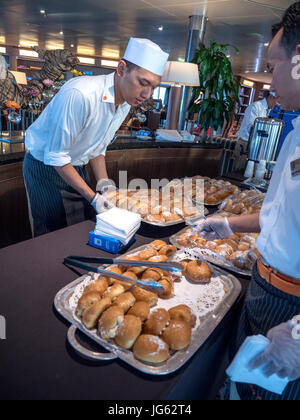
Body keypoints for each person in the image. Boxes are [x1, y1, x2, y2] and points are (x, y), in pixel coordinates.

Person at [194, 1, 300, 400]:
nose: (270, 84)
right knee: (237, 389)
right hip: (263, 286)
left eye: (272, 68)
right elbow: (282, 214)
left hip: (293, 308)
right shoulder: (296, 130)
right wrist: (230, 225)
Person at [23, 38, 169, 237]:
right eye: (143, 83)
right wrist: (92, 197)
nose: (147, 94)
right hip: (44, 168)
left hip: (75, 167)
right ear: (121, 68)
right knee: (52, 234)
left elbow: (97, 148)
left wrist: (104, 185)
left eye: (153, 86)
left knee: (79, 229)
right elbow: (56, 156)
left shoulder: (125, 103)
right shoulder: (80, 94)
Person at [233, 91, 278, 170]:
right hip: (245, 144)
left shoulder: (269, 110)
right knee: (239, 172)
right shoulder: (255, 106)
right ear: (271, 97)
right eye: (276, 101)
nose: (276, 104)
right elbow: (252, 126)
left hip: (256, 146)